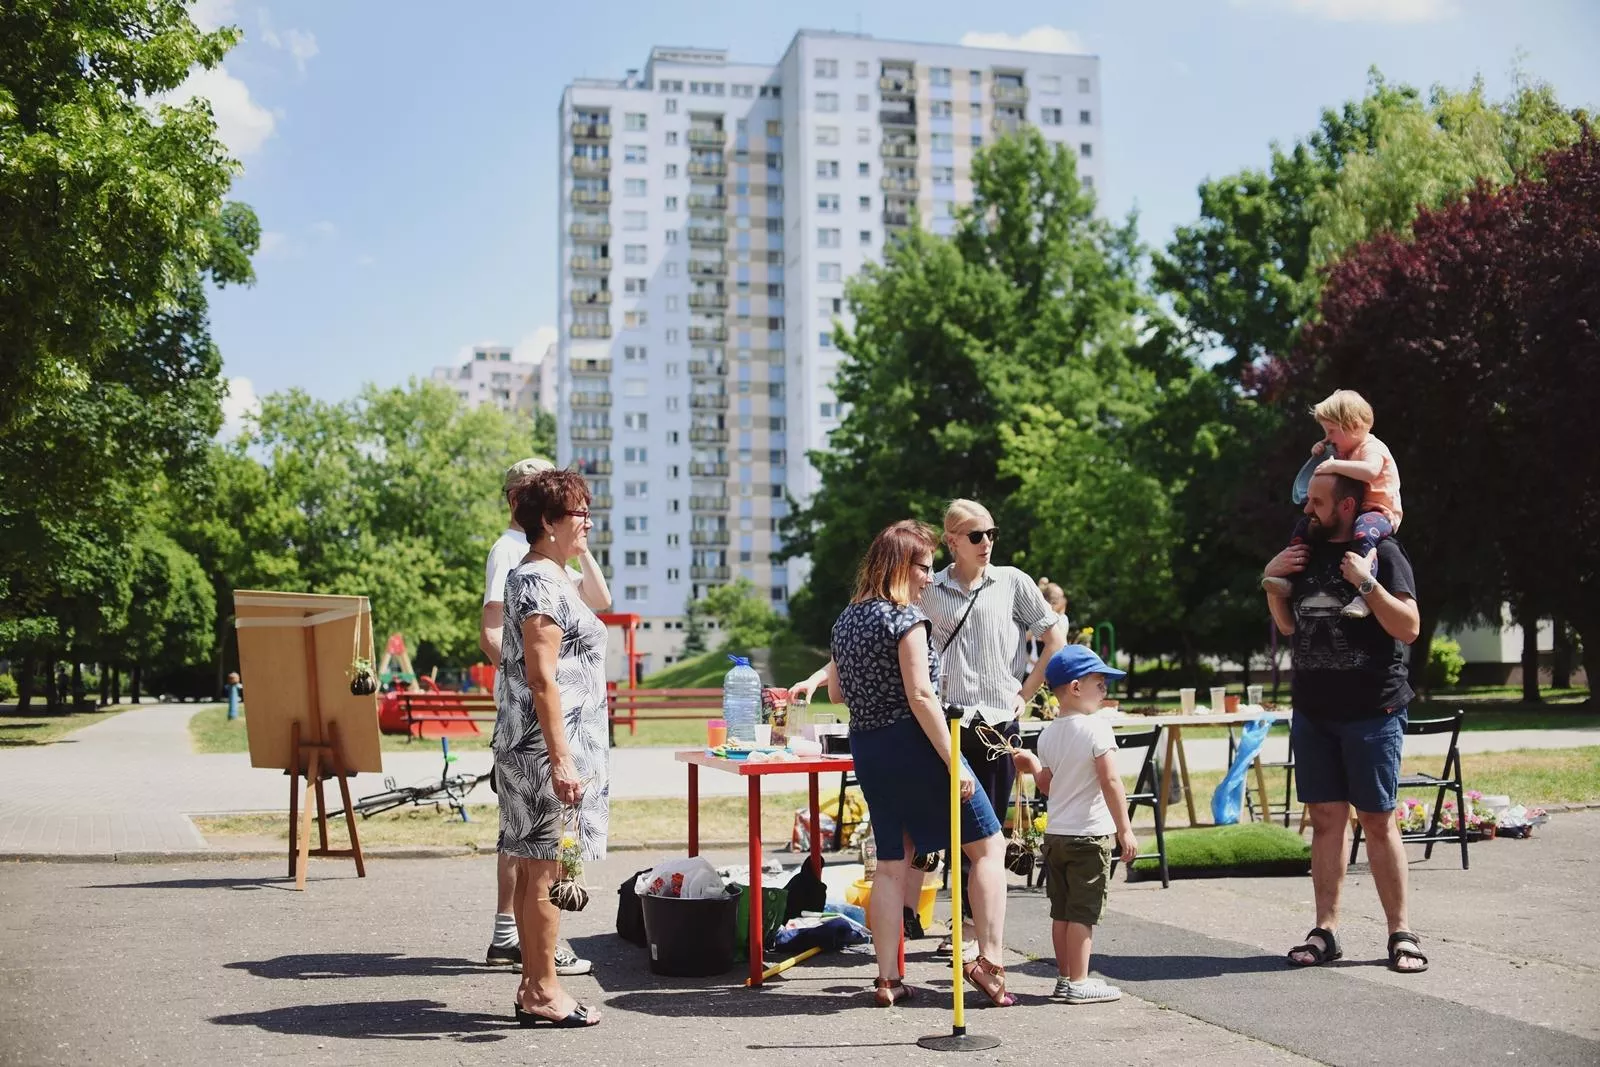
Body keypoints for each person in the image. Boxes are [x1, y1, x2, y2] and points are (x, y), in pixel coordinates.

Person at [792, 499, 1065, 953]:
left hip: (996, 722)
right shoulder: (924, 587)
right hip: (943, 723)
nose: (987, 543)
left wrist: (1025, 693)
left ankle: (971, 935)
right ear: (952, 540)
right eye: (976, 535)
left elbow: (1055, 637)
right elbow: (877, 644)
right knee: (952, 837)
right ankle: (953, 933)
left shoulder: (1012, 582)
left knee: (986, 830)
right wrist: (819, 677)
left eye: (992, 534)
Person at [827, 520, 1016, 1007]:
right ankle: (989, 960)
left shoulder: (846, 620)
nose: (931, 578)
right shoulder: (905, 618)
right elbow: (921, 694)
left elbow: (836, 692)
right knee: (989, 847)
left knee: (890, 866)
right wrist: (955, 763)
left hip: (869, 748)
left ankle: (887, 978)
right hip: (915, 745)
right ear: (899, 567)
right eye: (925, 568)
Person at [1262, 470, 1428, 974]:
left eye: (1317, 501)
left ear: (1348, 507)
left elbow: (1409, 626)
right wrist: (1271, 582)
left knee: (1377, 820)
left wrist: (1367, 583)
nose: (1306, 509)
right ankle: (1326, 930)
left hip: (1371, 711)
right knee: (1327, 822)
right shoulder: (1303, 552)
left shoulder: (1385, 553)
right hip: (1314, 711)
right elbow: (1290, 625)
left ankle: (1400, 932)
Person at [480, 458, 610, 980]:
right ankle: (539, 987)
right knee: (543, 867)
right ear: (549, 522)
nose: (588, 521)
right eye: (579, 513)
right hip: (540, 751)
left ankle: (539, 985)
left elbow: (598, 600)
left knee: (547, 865)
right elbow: (542, 679)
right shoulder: (535, 581)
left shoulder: (554, 574)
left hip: (554, 748)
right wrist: (561, 760)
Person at [1010, 645, 1138, 1004]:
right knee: (1083, 912)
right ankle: (1080, 982)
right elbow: (1111, 781)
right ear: (1076, 687)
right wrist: (1124, 829)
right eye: (1100, 683)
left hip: (1057, 836)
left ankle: (1065, 977)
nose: (1105, 690)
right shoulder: (1098, 728)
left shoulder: (1049, 734)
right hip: (1089, 835)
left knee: (1062, 911)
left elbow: (1047, 786)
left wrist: (1033, 766)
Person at [1263, 389, 1402, 619]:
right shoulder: (1346, 449)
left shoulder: (1371, 447)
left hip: (1380, 512)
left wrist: (1334, 465)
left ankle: (1364, 595)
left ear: (1354, 425)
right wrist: (1321, 450)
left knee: (1363, 535)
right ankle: (1290, 581)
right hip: (1360, 511)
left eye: (1331, 431)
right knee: (1303, 528)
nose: (1328, 438)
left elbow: (1369, 471)